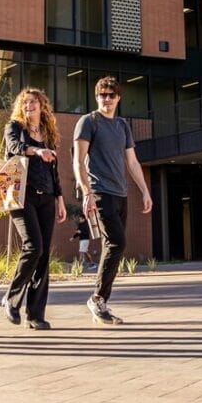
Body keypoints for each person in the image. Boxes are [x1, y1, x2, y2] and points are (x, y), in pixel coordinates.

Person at [74, 76, 153, 325]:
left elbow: (132, 161)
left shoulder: (122, 125)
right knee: (117, 243)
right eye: (102, 95)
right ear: (96, 97)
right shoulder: (88, 121)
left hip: (120, 193)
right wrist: (86, 192)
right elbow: (78, 161)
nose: (106, 99)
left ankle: (100, 299)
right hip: (99, 191)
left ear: (118, 98)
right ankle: (97, 298)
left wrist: (145, 190)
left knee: (114, 245)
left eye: (111, 95)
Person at [1, 87, 66, 330]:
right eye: (25, 103)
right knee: (33, 246)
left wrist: (59, 199)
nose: (29, 106)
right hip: (20, 194)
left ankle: (35, 314)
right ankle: (11, 298)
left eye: (33, 102)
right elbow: (15, 148)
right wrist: (37, 151)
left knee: (43, 255)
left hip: (47, 198)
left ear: (42, 106)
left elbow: (54, 171)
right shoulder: (14, 127)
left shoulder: (48, 134)